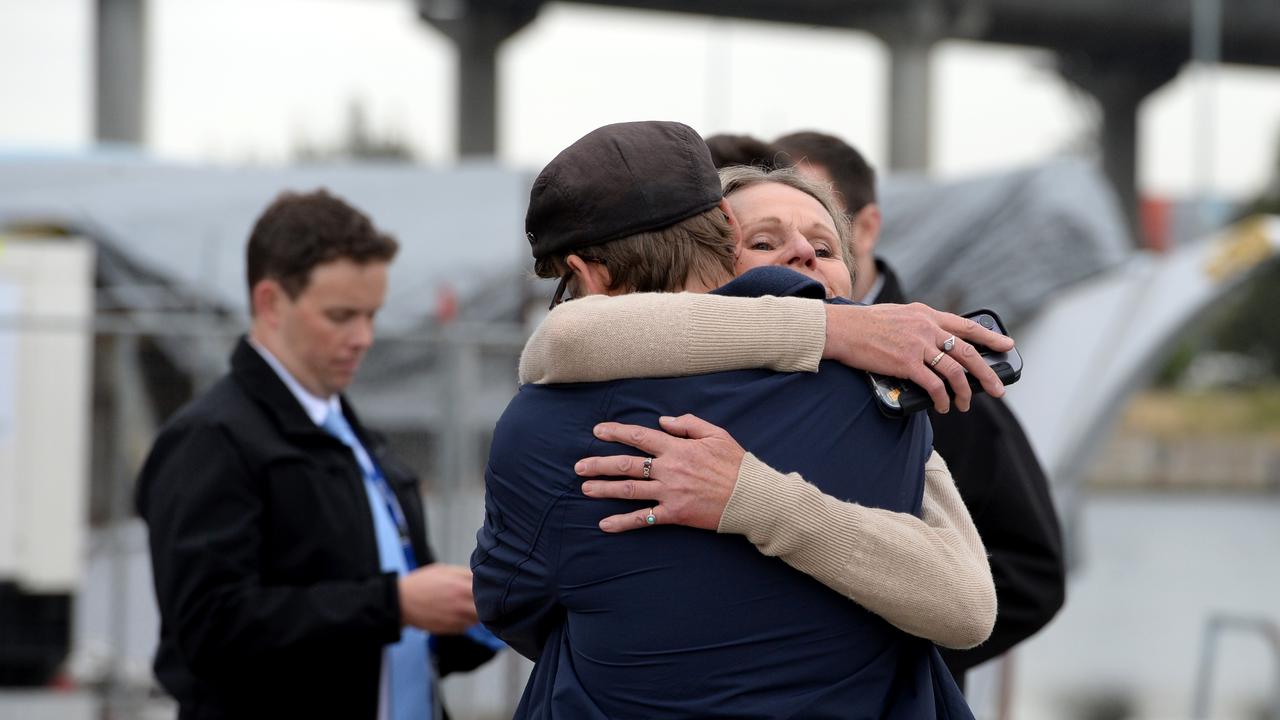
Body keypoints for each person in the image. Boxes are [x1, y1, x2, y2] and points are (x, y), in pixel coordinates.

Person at [473, 120, 991, 718]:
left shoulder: (890, 389)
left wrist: (753, 499)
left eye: (825, 249)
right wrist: (831, 326)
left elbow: (513, 604)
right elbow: (569, 339)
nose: (802, 257)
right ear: (724, 241)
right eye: (766, 242)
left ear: (588, 275)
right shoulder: (868, 399)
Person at [136, 190, 497, 720]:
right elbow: (208, 629)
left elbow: (391, 647)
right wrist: (393, 604)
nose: (363, 338)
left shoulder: (350, 433)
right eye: (341, 315)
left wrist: (481, 617)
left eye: (371, 315)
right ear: (270, 303)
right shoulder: (211, 439)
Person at [774, 130, 1066, 687]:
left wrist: (877, 659)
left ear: (865, 229)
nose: (799, 250)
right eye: (766, 233)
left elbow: (1032, 572)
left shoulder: (939, 371)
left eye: (819, 223)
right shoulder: (749, 355)